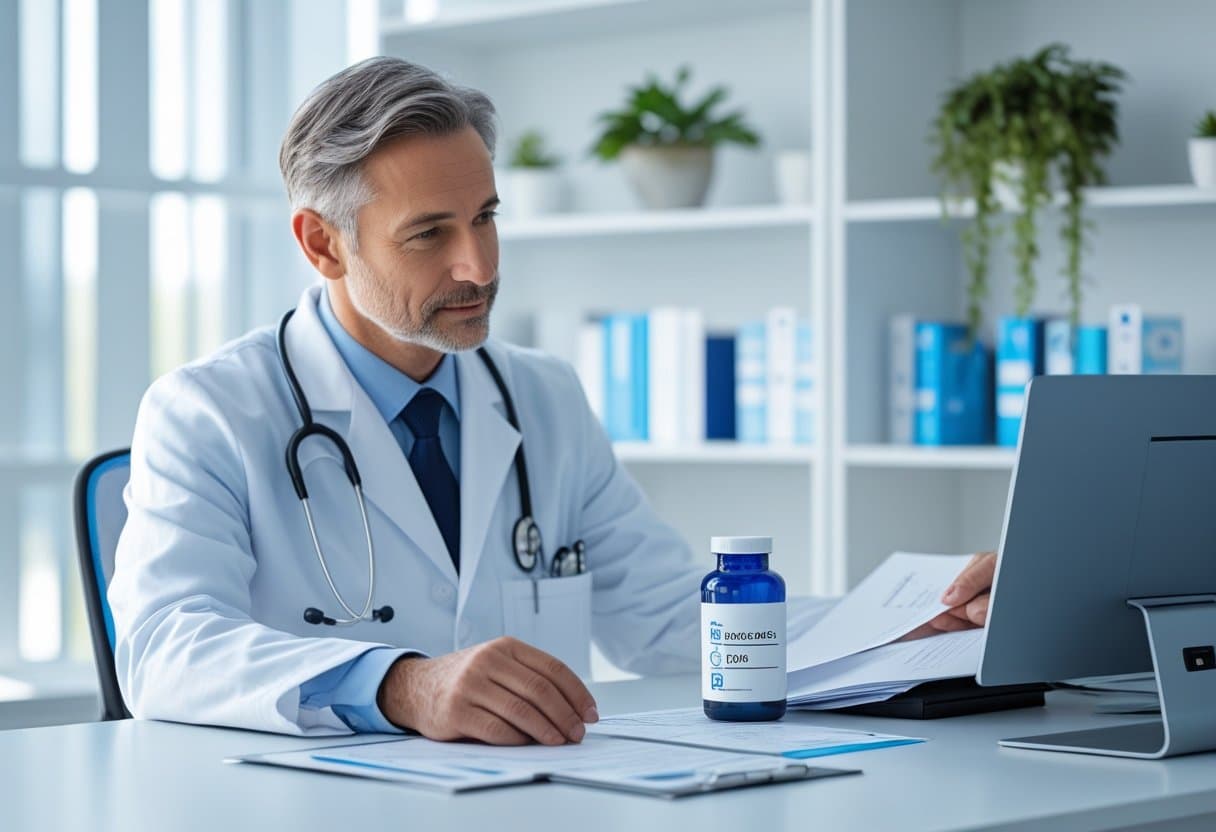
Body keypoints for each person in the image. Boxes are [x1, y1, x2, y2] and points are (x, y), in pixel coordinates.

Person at [108, 57, 995, 744]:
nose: (480, 268)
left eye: (487, 217)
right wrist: (401, 683)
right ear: (323, 245)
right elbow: (163, 650)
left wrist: (907, 621)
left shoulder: (541, 396)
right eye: (430, 234)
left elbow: (669, 618)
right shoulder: (210, 411)